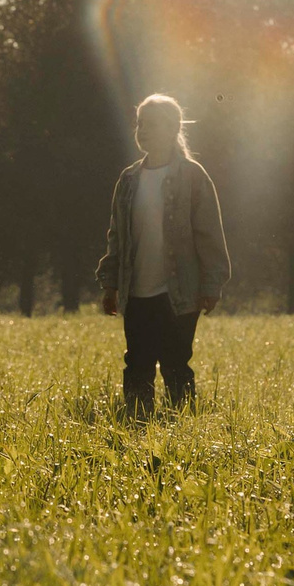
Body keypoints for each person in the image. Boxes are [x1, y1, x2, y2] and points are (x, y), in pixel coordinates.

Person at [96, 93, 231, 415]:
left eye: (152, 124)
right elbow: (117, 237)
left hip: (180, 291)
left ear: (172, 128)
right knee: (137, 362)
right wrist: (110, 284)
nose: (142, 130)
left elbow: (209, 235)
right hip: (137, 290)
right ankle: (136, 423)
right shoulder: (129, 180)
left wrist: (212, 285)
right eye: (140, 123)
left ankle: (181, 428)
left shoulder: (192, 176)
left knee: (175, 362)